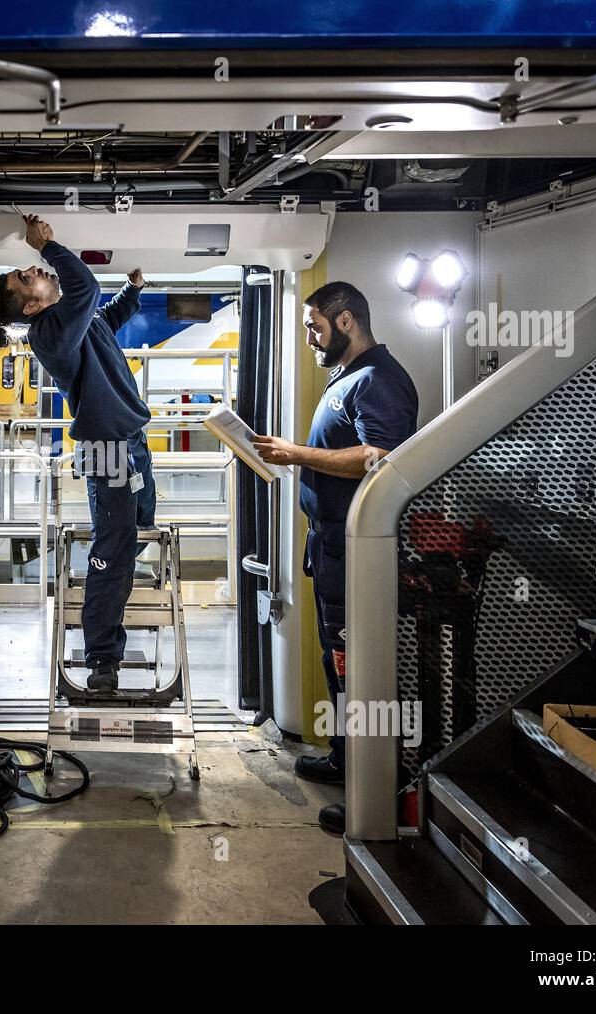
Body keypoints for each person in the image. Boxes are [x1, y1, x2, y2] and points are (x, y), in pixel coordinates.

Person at [253, 281, 418, 835]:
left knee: (360, 667)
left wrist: (296, 454)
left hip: (357, 550)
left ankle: (375, 791)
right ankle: (348, 762)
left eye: (313, 326)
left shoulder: (379, 380)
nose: (308, 337)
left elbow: (381, 459)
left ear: (345, 321)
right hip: (330, 542)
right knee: (339, 662)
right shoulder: (348, 378)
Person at [0, 214, 155, 694]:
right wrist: (47, 247)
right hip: (106, 449)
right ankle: (103, 658)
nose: (36, 270)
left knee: (136, 532)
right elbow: (86, 288)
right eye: (27, 275)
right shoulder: (50, 334)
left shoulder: (74, 324)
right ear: (32, 306)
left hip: (131, 443)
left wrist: (134, 292)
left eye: (29, 267)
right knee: (113, 552)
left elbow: (106, 319)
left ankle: (114, 591)